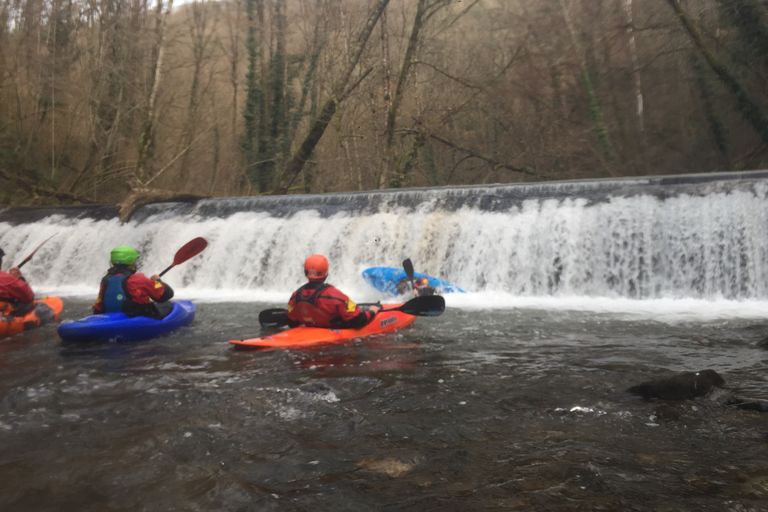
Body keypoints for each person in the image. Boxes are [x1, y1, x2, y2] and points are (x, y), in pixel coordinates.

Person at [287, 254, 380, 329]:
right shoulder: (335, 295)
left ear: (305, 272)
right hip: (332, 333)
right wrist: (372, 311)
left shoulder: (295, 296)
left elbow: (292, 322)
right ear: (326, 273)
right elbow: (357, 320)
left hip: (310, 333)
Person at [92, 245, 174, 319]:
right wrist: (157, 281)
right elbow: (165, 295)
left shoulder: (106, 279)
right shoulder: (139, 278)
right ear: (131, 262)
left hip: (110, 315)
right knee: (168, 304)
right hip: (136, 316)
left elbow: (98, 306)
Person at [0, 248, 36, 317]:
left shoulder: (7, 278)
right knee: (30, 305)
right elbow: (29, 297)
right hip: (5, 314)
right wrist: (19, 278)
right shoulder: (8, 279)